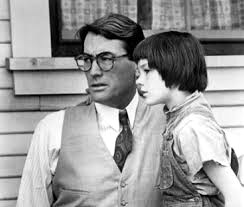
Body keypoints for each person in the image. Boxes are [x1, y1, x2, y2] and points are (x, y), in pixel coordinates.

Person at [16, 13, 166, 207]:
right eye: (87, 59)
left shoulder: (170, 122)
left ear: (137, 64)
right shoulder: (52, 129)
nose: (93, 71)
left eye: (106, 59)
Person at [133, 31, 244, 207]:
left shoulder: (193, 127)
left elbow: (236, 198)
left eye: (146, 71)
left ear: (174, 68)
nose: (139, 80)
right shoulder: (176, 121)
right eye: (137, 73)